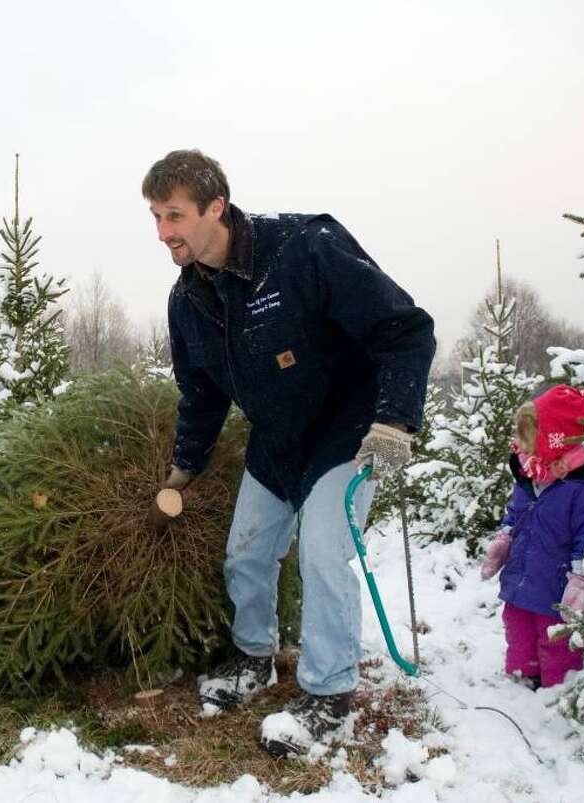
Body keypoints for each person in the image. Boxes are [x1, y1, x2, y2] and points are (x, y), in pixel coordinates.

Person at [142, 149, 436, 756]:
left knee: (325, 552)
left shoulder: (303, 249)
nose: (163, 232)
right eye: (155, 217)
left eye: (174, 215)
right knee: (244, 556)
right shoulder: (187, 301)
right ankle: (255, 660)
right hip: (277, 441)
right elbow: (199, 394)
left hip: (346, 432)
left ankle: (329, 695)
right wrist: (185, 467)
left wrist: (395, 421)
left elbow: (405, 329)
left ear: (215, 207)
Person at [480, 384, 584, 689]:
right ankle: (521, 679)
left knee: (556, 641)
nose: (521, 449)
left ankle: (557, 690)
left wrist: (582, 580)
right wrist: (505, 538)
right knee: (517, 627)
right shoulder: (529, 477)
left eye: (528, 442)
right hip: (520, 580)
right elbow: (515, 514)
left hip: (555, 591)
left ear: (554, 441)